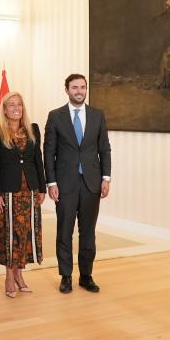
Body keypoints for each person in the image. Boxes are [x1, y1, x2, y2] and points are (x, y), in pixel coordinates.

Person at [44, 74, 111, 294]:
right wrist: (51, 182)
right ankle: (66, 276)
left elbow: (104, 149)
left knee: (88, 232)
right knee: (64, 231)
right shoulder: (55, 117)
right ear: (66, 90)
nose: (79, 91)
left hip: (92, 183)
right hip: (65, 184)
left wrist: (106, 178)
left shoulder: (97, 115)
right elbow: (49, 152)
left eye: (82, 87)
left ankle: (86, 275)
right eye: (75, 88)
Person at [0, 91, 45, 297]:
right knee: (9, 234)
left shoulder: (32, 129)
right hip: (7, 192)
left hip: (30, 191)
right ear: (4, 109)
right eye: (11, 105)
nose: (16, 108)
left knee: (25, 234)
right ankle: (9, 278)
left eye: (19, 104)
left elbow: (38, 159)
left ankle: (20, 275)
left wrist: (42, 188)